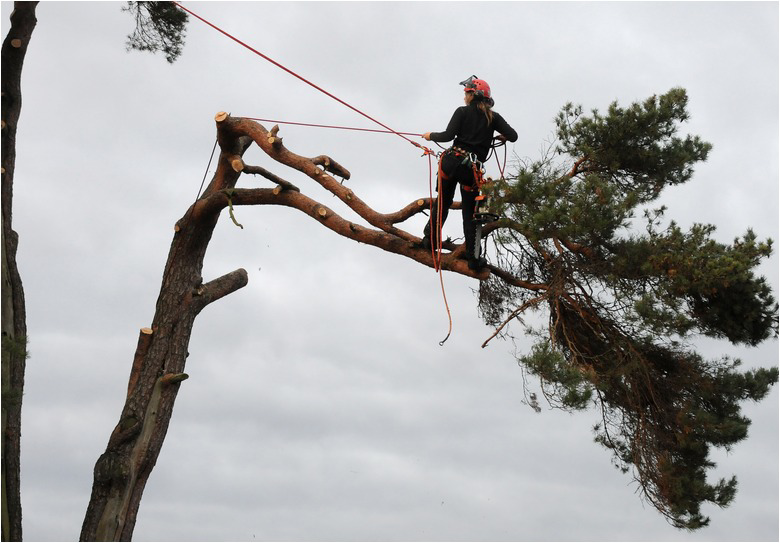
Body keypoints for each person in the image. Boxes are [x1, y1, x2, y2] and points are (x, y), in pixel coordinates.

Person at [421, 75, 518, 270]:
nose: (464, 96)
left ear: (473, 94)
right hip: (470, 171)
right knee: (470, 215)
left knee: (443, 203)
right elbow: (513, 136)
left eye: (466, 92)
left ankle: (429, 240)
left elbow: (448, 136)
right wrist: (501, 136)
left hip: (450, 163)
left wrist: (430, 136)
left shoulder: (462, 112)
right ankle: (474, 259)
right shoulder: (493, 117)